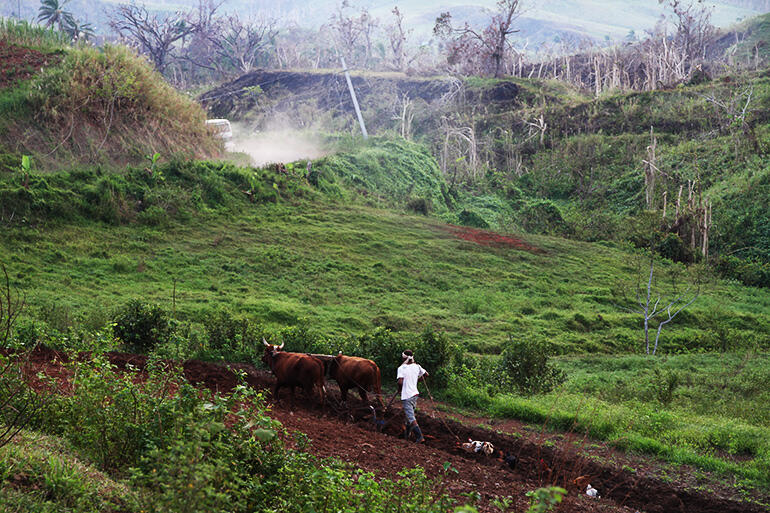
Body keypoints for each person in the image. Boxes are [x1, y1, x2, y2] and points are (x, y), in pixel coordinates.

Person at [396, 349, 428, 443]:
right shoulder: (417, 366)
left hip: (407, 395)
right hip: (415, 394)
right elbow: (426, 374)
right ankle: (406, 435)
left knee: (410, 416)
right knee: (409, 416)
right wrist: (417, 381)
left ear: (403, 358)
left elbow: (400, 381)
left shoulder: (401, 368)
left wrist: (399, 389)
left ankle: (419, 437)